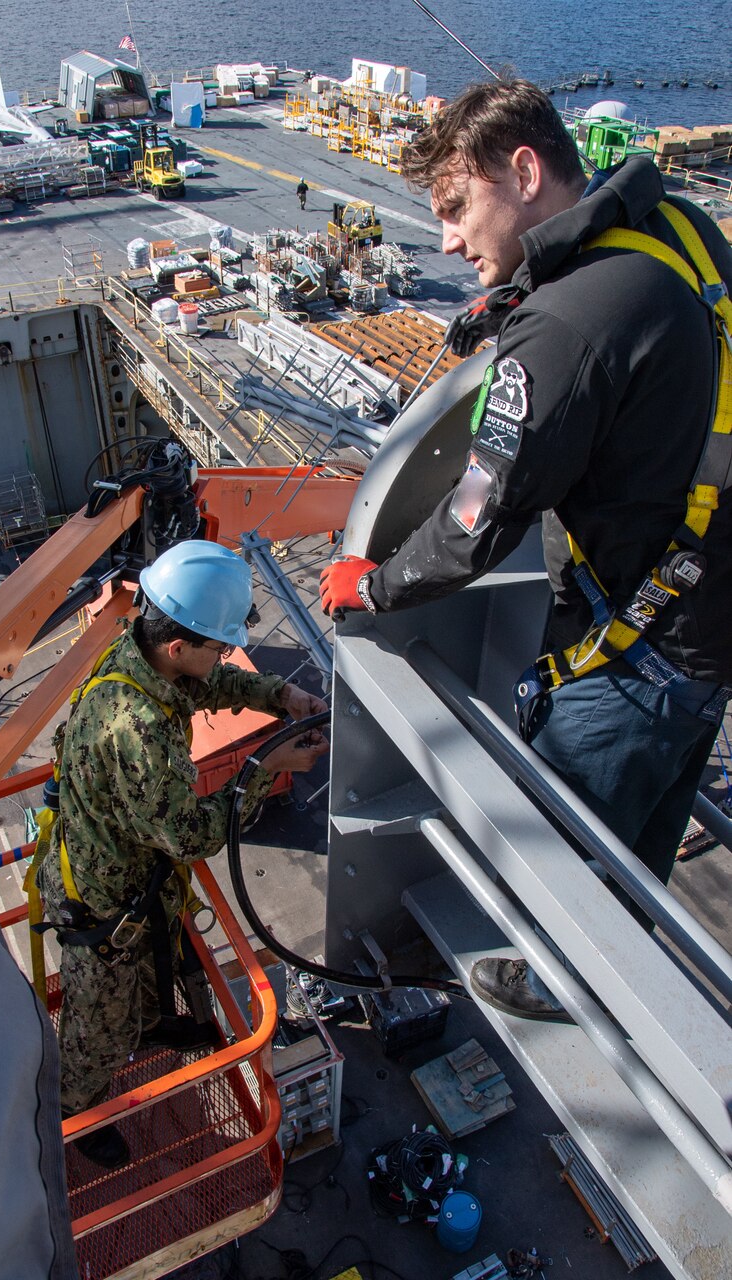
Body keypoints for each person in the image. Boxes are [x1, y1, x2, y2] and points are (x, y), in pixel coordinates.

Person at [320, 79, 732, 1022]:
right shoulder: (677, 228)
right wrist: (519, 309)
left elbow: (475, 518)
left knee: (565, 837)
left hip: (643, 651)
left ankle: (554, 980)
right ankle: (630, 941)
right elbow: (644, 357)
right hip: (714, 613)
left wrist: (375, 584)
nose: (450, 243)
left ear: (526, 169)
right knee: (643, 831)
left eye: (457, 209)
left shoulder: (564, 330)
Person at [38, 540, 328, 1167]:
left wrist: (277, 696)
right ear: (178, 645)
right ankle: (77, 1114)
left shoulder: (141, 657)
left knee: (150, 975)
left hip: (125, 873)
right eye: (217, 644)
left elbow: (206, 682)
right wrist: (264, 766)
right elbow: (194, 834)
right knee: (96, 1027)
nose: (223, 655)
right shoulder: (137, 727)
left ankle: (150, 1023)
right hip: (102, 906)